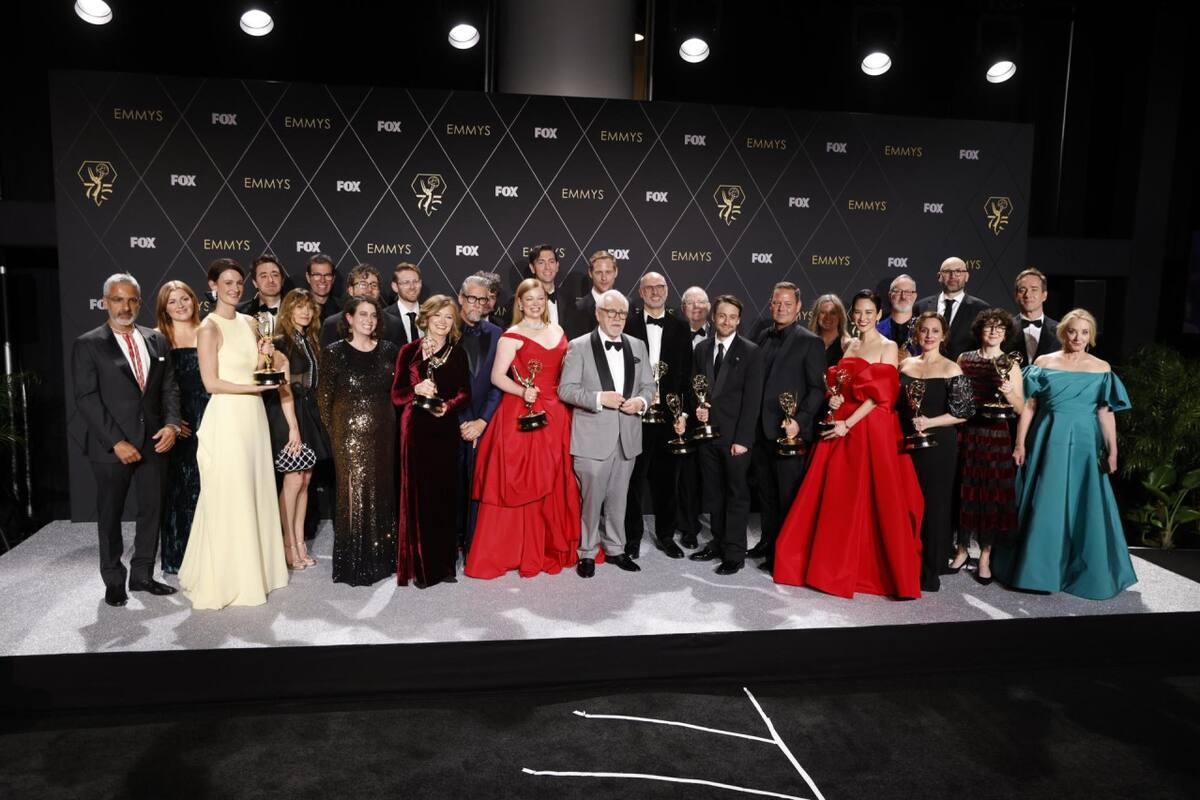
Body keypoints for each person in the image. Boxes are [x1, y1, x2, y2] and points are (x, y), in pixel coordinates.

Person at [773, 290, 924, 599]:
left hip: (871, 427)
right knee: (838, 497)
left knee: (871, 497)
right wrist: (835, 400)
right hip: (841, 423)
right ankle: (830, 566)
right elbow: (840, 385)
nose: (863, 317)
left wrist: (847, 424)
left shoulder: (888, 346)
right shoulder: (849, 344)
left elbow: (881, 396)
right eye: (858, 311)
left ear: (878, 314)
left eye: (869, 312)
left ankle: (865, 570)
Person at [996, 309, 1137, 599]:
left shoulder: (1101, 368)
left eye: (1084, 332)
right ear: (1063, 332)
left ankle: (1081, 572)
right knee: (1044, 502)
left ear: (1091, 336)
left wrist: (1112, 451)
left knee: (1082, 504)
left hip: (1085, 443)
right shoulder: (1043, 362)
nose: (1078, 337)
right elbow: (1029, 407)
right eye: (1073, 331)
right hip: (1047, 438)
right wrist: (1020, 443)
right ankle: (1037, 571)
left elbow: (1105, 413)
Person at [179, 259, 293, 609]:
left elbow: (257, 370)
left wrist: (265, 358)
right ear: (213, 285)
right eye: (227, 282)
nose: (234, 287)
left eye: (239, 282)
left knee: (255, 489)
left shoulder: (250, 322)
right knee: (230, 493)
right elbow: (211, 382)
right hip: (227, 417)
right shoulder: (208, 328)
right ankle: (228, 576)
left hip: (253, 419)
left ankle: (258, 570)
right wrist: (254, 389)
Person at [69, 273, 181, 607]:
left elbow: (169, 388)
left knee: (152, 510)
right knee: (110, 514)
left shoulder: (157, 340)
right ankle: (114, 580)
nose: (125, 306)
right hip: (111, 446)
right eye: (117, 299)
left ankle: (143, 575)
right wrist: (116, 441)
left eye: (131, 299)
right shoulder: (88, 343)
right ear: (105, 302)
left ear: (140, 302)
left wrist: (173, 425)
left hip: (154, 441)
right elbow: (86, 398)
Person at [465, 278, 582, 579]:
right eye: (528, 299)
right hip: (525, 414)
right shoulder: (511, 335)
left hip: (557, 414)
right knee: (525, 480)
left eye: (540, 298)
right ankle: (517, 550)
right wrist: (521, 392)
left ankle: (548, 545)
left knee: (556, 477)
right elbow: (497, 377)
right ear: (519, 303)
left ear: (545, 300)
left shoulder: (558, 330)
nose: (535, 303)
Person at [559, 290, 653, 577]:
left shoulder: (637, 346)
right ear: (598, 314)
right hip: (592, 438)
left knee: (619, 499)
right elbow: (566, 389)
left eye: (621, 314)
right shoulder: (579, 346)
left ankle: (615, 548)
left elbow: (649, 386)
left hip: (627, 437)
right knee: (590, 501)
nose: (616, 318)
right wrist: (600, 399)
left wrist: (642, 402)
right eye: (610, 312)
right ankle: (586, 552)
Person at [676, 295, 764, 575]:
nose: (726, 321)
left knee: (736, 494)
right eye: (721, 315)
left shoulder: (751, 351)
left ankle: (734, 552)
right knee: (713, 494)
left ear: (738, 320)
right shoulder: (701, 349)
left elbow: (753, 401)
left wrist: (743, 440)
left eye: (732, 317)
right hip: (707, 436)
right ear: (714, 317)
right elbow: (695, 389)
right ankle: (717, 541)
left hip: (735, 438)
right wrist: (697, 411)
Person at [318, 297, 400, 586]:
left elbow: (398, 393)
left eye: (373, 315)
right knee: (355, 495)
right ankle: (354, 563)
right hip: (348, 435)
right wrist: (338, 436)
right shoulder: (334, 352)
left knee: (382, 492)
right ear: (349, 318)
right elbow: (324, 400)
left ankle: (382, 559)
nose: (369, 319)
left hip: (385, 433)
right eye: (362, 314)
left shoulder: (390, 350)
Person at [392, 295, 471, 588]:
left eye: (449, 317)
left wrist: (447, 406)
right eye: (437, 316)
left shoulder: (458, 353)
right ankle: (422, 568)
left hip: (445, 430)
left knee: (445, 497)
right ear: (425, 318)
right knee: (419, 498)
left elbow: (466, 393)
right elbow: (396, 395)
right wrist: (417, 390)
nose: (442, 322)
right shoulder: (408, 351)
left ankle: (445, 565)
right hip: (415, 431)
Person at [748, 282, 826, 569]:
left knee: (787, 497)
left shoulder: (810, 341)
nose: (782, 308)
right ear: (770, 304)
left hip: (788, 434)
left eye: (787, 304)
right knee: (766, 495)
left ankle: (785, 552)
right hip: (760, 431)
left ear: (798, 308)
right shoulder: (761, 336)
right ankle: (767, 543)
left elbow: (817, 389)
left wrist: (799, 421)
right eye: (777, 303)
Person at [898, 312, 974, 592]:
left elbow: (964, 412)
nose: (929, 336)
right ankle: (905, 563)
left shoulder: (952, 369)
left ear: (943, 336)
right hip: (905, 444)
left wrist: (930, 422)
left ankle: (929, 570)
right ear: (917, 334)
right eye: (924, 331)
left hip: (939, 445)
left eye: (934, 331)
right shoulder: (905, 365)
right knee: (905, 504)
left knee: (934, 507)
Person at [622, 272, 692, 559]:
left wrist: (683, 412)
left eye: (660, 287)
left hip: (668, 416)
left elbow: (687, 374)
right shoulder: (628, 324)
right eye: (649, 287)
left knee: (667, 480)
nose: (654, 292)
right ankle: (632, 537)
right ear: (640, 292)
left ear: (667, 290)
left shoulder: (681, 326)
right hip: (636, 413)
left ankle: (665, 535)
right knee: (633, 479)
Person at [955, 308, 1027, 583]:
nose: (994, 331)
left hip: (995, 436)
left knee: (991, 496)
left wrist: (1009, 394)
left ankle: (985, 556)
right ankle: (962, 550)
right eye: (989, 326)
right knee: (964, 492)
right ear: (979, 331)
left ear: (1006, 334)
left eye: (1000, 328)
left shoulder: (1011, 363)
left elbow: (1021, 408)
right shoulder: (965, 358)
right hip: (967, 433)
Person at [265, 289, 331, 570]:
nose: (305, 312)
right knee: (292, 481)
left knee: (305, 480)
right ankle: (287, 544)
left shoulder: (310, 340)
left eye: (309, 308)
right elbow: (281, 389)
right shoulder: (280, 342)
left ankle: (300, 542)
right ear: (288, 310)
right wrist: (292, 427)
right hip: (287, 414)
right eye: (299, 307)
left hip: (310, 413)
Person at [154, 280, 208, 575]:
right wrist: (172, 422)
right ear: (164, 308)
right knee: (179, 491)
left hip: (210, 417)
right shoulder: (158, 338)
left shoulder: (207, 332)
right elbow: (153, 388)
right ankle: (178, 557)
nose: (180, 305)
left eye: (184, 298)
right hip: (178, 423)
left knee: (207, 487)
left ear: (193, 300)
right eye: (172, 301)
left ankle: (207, 557)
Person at [455, 275, 503, 557]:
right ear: (461, 298)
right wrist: (464, 421)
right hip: (452, 421)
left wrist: (482, 421)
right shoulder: (445, 328)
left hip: (484, 424)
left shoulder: (498, 334)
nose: (477, 303)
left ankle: (473, 544)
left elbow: (499, 383)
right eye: (471, 298)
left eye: (482, 299)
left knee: (478, 485)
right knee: (451, 485)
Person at [675, 286, 712, 548]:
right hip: (682, 414)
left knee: (711, 474)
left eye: (702, 302)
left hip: (715, 415)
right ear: (682, 308)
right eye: (691, 302)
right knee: (686, 474)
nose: (696, 306)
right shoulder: (674, 335)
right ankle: (688, 527)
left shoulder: (724, 334)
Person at [914, 257, 991, 359]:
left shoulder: (981, 309)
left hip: (963, 371)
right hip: (926, 370)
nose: (953, 276)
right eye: (947, 271)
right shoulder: (920, 306)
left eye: (958, 271)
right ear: (939, 276)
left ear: (967, 277)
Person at [320, 264, 402, 347]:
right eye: (363, 284)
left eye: (374, 285)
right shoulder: (332, 324)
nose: (369, 289)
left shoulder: (394, 324)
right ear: (351, 290)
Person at [1004, 268, 1061, 365]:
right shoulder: (1005, 329)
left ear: (1044, 295)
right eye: (1022, 290)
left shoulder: (1060, 330)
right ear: (1016, 296)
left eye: (1034, 289)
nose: (1028, 295)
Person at [567, 250, 619, 339]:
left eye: (608, 272)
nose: (604, 278)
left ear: (616, 272)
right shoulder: (577, 309)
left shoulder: (627, 305)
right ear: (590, 273)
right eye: (599, 272)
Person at [877, 274, 921, 356]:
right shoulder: (876, 331)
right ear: (890, 295)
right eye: (898, 291)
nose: (903, 297)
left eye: (908, 292)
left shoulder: (925, 331)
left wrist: (913, 360)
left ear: (915, 296)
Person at [383, 262, 424, 345]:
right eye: (406, 282)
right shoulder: (384, 317)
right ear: (395, 287)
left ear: (420, 283)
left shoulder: (430, 314)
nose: (412, 287)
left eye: (415, 281)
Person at [528, 244, 568, 326]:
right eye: (541, 262)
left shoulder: (568, 300)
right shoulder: (521, 300)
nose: (547, 267)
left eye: (551, 262)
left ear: (557, 266)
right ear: (532, 268)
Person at [810, 293, 850, 368]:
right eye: (823, 312)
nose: (827, 317)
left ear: (840, 317)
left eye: (833, 313)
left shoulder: (847, 345)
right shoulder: (808, 344)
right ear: (816, 316)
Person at [304, 254, 342, 321]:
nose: (322, 280)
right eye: (317, 275)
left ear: (333, 279)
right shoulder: (298, 309)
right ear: (308, 277)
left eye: (327, 275)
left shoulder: (342, 309)